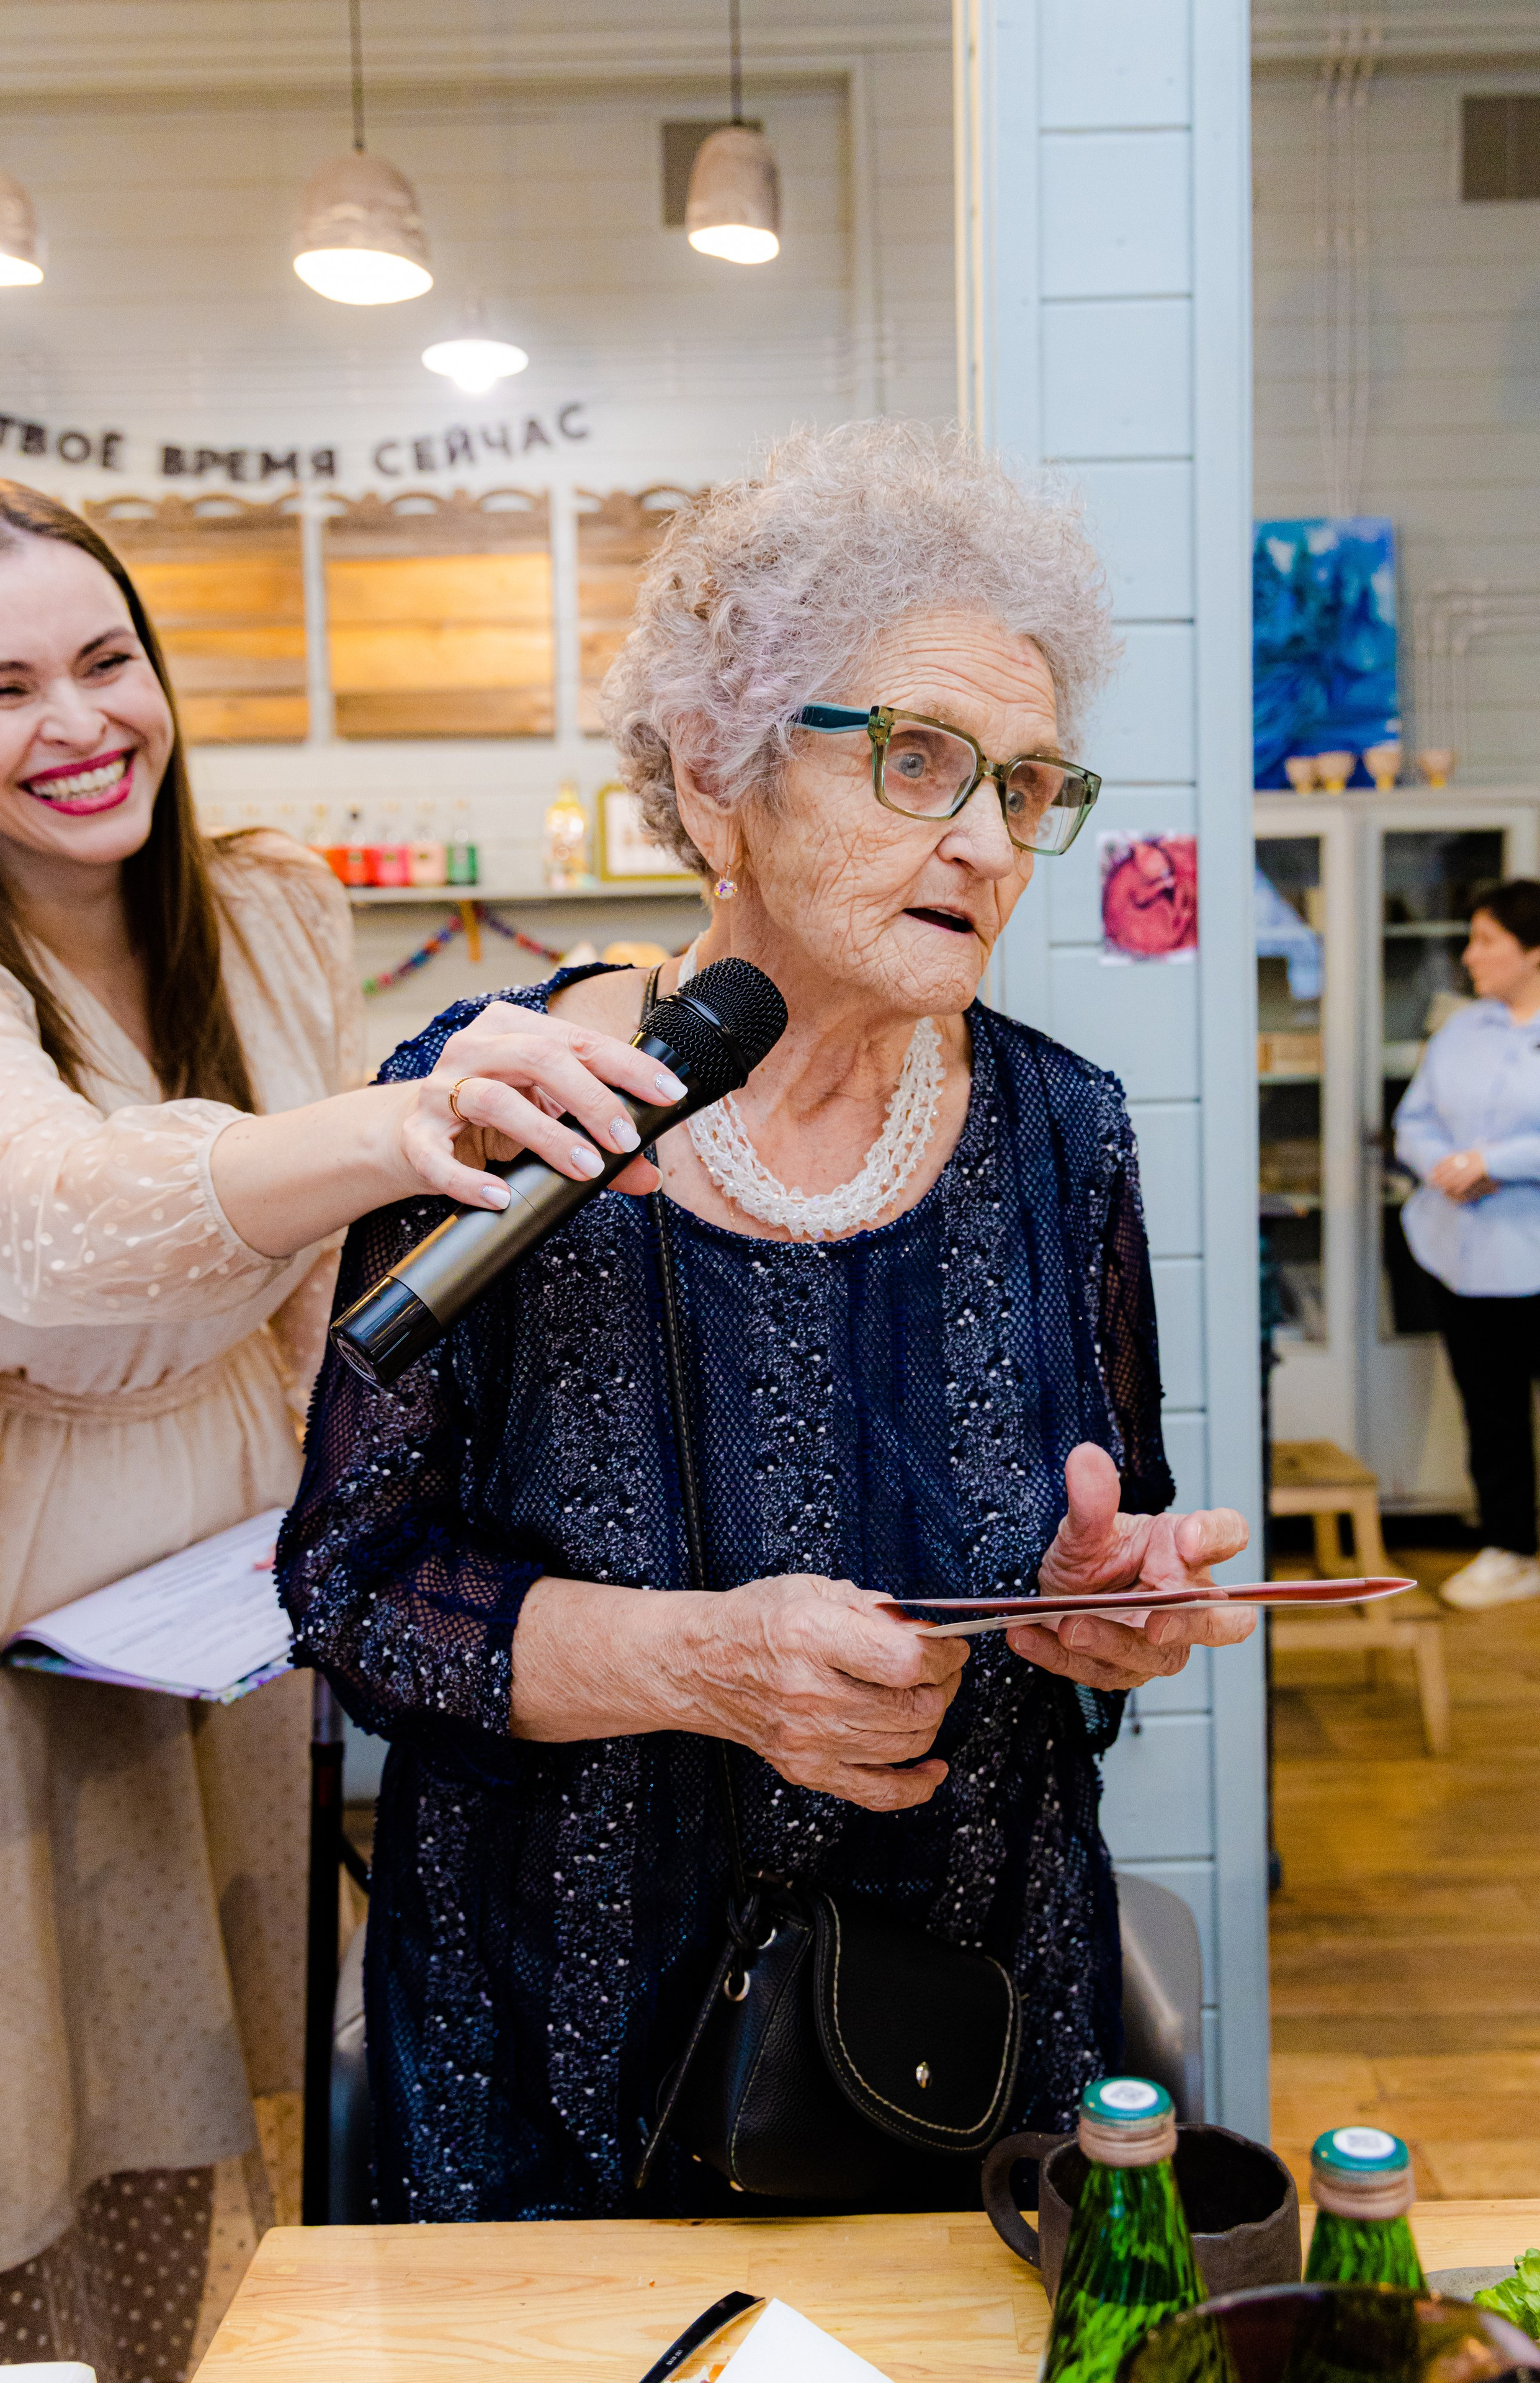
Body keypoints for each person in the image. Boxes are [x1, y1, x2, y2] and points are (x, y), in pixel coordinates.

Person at [277, 420, 1256, 2225]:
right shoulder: (504, 1107)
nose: (989, 839)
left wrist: (1095, 1615)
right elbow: (353, 1591)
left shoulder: (1066, 1132)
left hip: (960, 2041)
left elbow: (1089, 1549)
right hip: (548, 2062)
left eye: (1027, 784)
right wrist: (696, 1661)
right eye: (917, 757)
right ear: (716, 776)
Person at [0, 481, 681, 2379]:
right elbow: (50, 1222)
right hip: (27, 1672)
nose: (79, 724)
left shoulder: (270, 911)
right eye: (5, 689)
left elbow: (325, 1309)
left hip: (237, 1638)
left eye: (107, 660)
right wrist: (402, 1125)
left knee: (246, 2097)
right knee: (46, 2139)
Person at [1395, 877, 1540, 1610]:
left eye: (1485, 941)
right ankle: (1511, 1552)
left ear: (1536, 949)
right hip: (1459, 1258)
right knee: (1489, 1412)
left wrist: (1496, 1162)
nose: (1469, 955)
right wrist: (1442, 1166)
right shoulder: (1461, 1029)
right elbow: (1413, 1120)